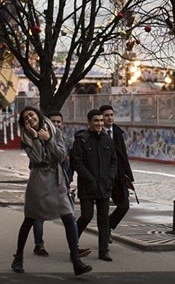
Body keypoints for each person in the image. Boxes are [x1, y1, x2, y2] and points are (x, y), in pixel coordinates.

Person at [11, 106, 91, 276]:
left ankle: (76, 260)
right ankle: (18, 257)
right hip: (39, 180)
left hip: (57, 179)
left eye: (31, 115)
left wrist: (48, 139)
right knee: (30, 219)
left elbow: (61, 155)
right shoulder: (26, 138)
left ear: (38, 115)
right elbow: (38, 158)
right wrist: (37, 139)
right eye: (26, 118)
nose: (30, 119)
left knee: (69, 217)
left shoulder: (54, 131)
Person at [31, 111, 88, 258]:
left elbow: (70, 161)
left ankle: (74, 249)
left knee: (69, 216)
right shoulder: (38, 139)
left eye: (58, 121)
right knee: (38, 216)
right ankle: (39, 245)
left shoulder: (67, 141)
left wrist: (68, 181)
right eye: (53, 121)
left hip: (62, 183)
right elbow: (34, 163)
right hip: (43, 184)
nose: (56, 124)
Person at [71, 109, 117, 262]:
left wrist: (110, 178)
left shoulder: (108, 140)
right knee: (86, 216)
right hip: (87, 186)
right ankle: (73, 243)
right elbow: (77, 162)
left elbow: (113, 161)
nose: (99, 123)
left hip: (104, 186)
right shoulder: (81, 139)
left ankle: (103, 251)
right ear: (89, 122)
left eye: (101, 121)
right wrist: (89, 179)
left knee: (104, 220)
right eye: (96, 121)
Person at [99, 104, 135, 235]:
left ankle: (107, 227)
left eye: (111, 115)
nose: (109, 118)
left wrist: (128, 176)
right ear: (101, 117)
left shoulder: (118, 133)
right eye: (106, 115)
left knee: (124, 205)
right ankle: (104, 235)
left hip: (118, 176)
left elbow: (123, 156)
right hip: (103, 177)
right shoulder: (97, 133)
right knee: (102, 209)